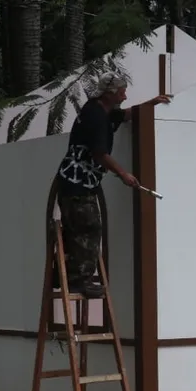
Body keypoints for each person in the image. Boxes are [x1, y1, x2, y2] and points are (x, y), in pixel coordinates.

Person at [55, 72, 169, 298]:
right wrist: (123, 174)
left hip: (79, 183)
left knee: (77, 230)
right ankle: (80, 281)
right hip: (77, 184)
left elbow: (126, 115)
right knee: (88, 227)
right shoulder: (96, 116)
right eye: (122, 91)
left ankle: (68, 276)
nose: (125, 95)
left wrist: (152, 104)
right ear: (110, 92)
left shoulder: (101, 111)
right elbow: (99, 153)